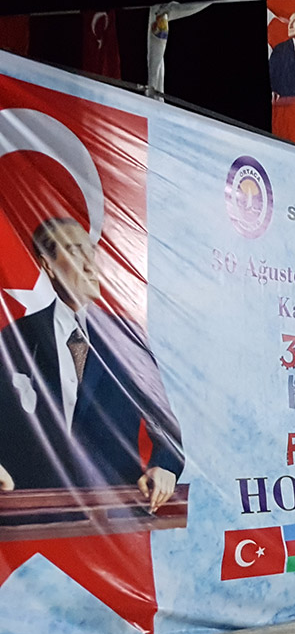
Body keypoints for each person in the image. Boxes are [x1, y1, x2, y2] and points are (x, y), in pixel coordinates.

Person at [0, 217, 185, 510]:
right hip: (33, 509)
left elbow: (164, 428)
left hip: (115, 509)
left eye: (90, 252)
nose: (89, 264)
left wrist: (165, 467)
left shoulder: (127, 340)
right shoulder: (16, 338)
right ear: (47, 264)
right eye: (74, 252)